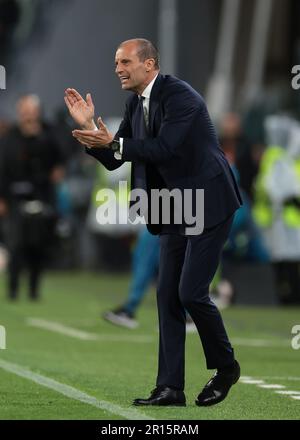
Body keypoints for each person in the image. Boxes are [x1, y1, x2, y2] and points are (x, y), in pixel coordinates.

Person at [65, 38, 242, 407]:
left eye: (125, 62)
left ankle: (226, 367)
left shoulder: (182, 97)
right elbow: (117, 160)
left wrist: (113, 142)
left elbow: (164, 148)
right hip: (172, 206)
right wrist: (92, 135)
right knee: (166, 295)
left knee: (191, 291)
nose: (118, 69)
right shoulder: (135, 103)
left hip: (208, 201)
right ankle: (170, 388)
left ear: (149, 65)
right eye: (116, 62)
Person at [0, 95, 64, 300]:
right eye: (24, 110)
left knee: (38, 244)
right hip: (14, 198)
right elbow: (2, 167)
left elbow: (60, 156)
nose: (27, 115)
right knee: (16, 245)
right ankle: (13, 290)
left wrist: (57, 168)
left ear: (37, 112)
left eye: (30, 110)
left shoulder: (48, 133)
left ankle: (34, 291)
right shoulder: (11, 136)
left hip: (42, 196)